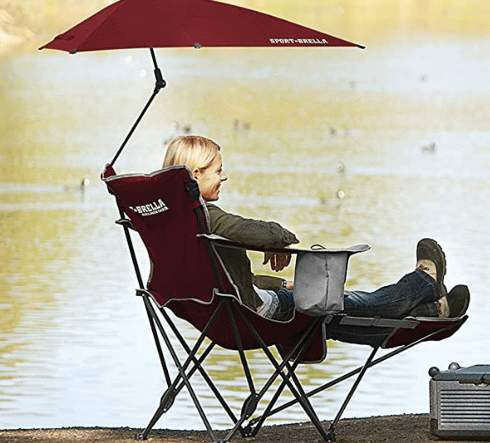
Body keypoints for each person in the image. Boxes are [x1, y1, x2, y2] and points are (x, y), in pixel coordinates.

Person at [162, 135, 470, 326]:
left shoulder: (170, 221)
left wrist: (279, 284)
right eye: (218, 170)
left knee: (335, 314)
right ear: (195, 174)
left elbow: (221, 279)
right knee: (338, 302)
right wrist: (280, 239)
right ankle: (422, 285)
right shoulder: (205, 216)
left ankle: (432, 310)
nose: (225, 176)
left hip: (217, 312)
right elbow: (250, 231)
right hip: (253, 314)